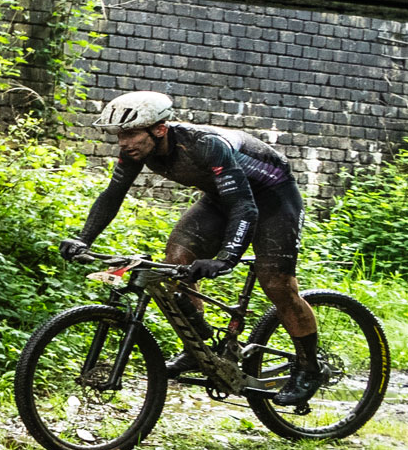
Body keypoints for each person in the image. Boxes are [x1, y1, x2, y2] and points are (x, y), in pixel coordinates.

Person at [62, 89, 321, 409]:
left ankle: (310, 368)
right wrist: (83, 238)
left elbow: (245, 207)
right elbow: (113, 194)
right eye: (119, 135)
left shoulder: (205, 145)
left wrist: (226, 258)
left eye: (129, 134)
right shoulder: (136, 152)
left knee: (276, 283)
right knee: (177, 263)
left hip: (272, 201)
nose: (123, 142)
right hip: (222, 200)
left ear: (159, 129)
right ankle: (200, 347)